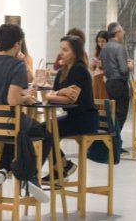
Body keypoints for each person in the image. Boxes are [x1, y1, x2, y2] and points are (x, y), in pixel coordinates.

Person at [0, 23, 50, 203]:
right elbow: (12, 100)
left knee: (19, 132)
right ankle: (30, 177)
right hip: (8, 123)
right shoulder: (17, 65)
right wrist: (27, 97)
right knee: (44, 133)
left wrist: (19, 95)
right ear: (17, 44)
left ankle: (2, 171)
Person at [45, 35, 98, 178]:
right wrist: (58, 92)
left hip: (85, 120)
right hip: (72, 117)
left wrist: (54, 94)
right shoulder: (63, 71)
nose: (61, 53)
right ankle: (62, 165)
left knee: (46, 130)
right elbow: (52, 94)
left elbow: (69, 99)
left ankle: (59, 168)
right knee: (43, 129)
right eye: (60, 49)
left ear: (75, 52)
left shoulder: (79, 70)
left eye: (65, 50)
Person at [100, 22, 132, 133]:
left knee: (111, 112)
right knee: (121, 113)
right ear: (117, 33)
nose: (123, 33)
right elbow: (123, 69)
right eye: (122, 31)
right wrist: (129, 66)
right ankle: (115, 138)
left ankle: (110, 137)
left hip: (109, 83)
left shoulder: (104, 48)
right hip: (119, 83)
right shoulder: (119, 47)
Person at [91, 30, 109, 100]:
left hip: (104, 78)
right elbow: (92, 67)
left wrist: (102, 64)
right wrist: (92, 65)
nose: (100, 44)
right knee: (95, 98)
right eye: (99, 41)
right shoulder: (97, 51)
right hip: (96, 76)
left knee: (103, 98)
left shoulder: (110, 51)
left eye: (103, 41)